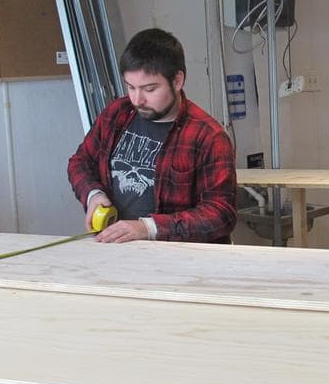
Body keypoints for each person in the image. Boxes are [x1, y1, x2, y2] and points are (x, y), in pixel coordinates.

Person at [68, 27, 237, 244]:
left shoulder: (208, 137)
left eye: (149, 89)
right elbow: (80, 162)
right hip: (117, 251)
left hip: (178, 260)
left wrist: (148, 228)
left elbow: (221, 215)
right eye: (130, 87)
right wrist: (93, 194)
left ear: (177, 81)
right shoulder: (117, 113)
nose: (137, 100)